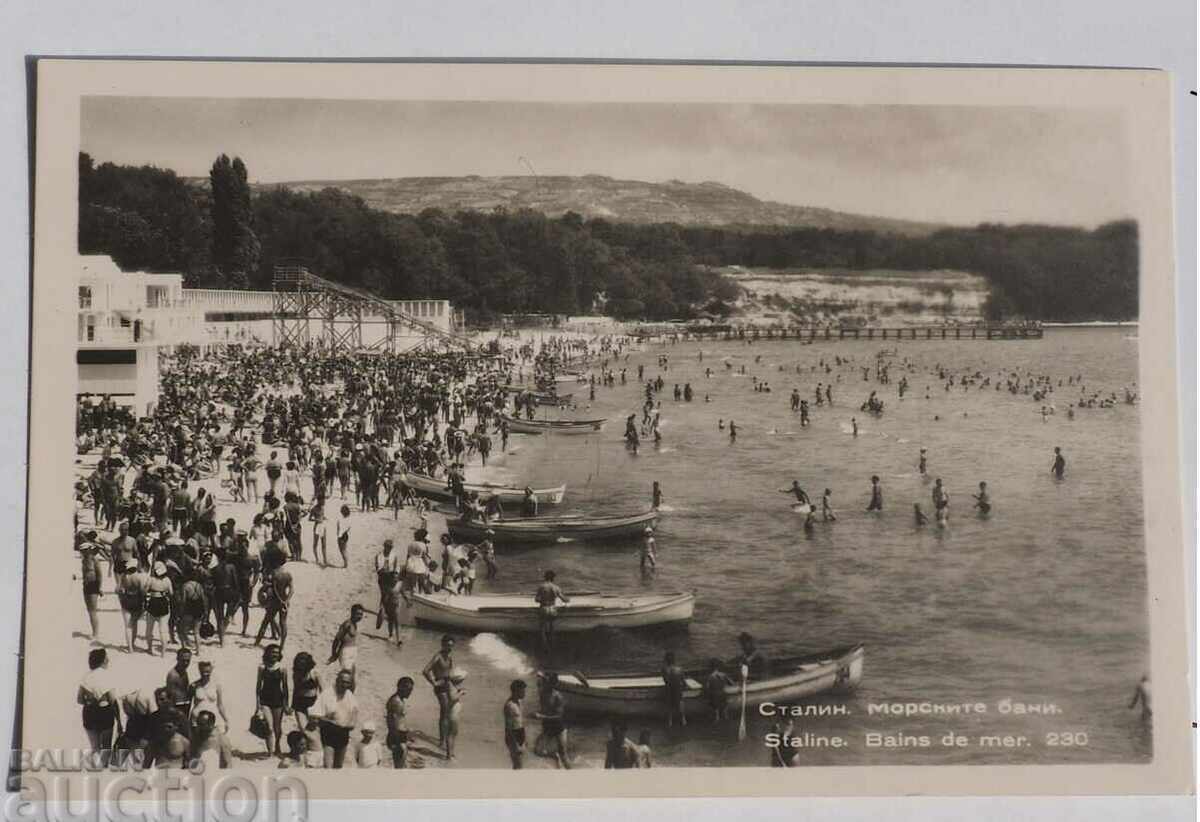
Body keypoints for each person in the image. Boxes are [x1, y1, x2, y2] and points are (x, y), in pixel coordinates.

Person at [79, 648, 121, 762]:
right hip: (104, 713)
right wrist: (119, 721)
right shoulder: (107, 676)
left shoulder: (86, 677)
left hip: (88, 712)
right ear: (102, 661)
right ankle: (104, 768)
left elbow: (79, 700)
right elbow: (112, 700)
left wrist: (91, 701)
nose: (108, 660)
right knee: (106, 747)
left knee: (95, 747)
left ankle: (96, 770)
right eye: (106, 658)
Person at [316, 669, 359, 769]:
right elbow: (316, 716)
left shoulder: (351, 698)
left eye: (347, 682)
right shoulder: (326, 694)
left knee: (338, 767)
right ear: (337, 680)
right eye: (342, 681)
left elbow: (353, 720)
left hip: (343, 735)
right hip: (328, 734)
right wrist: (333, 722)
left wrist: (348, 725)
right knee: (328, 766)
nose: (344, 685)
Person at [423, 635, 456, 748]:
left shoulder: (450, 657)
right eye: (447, 646)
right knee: (445, 713)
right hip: (440, 688)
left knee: (447, 713)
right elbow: (426, 670)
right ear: (442, 644)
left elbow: (449, 672)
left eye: (451, 646)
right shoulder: (438, 656)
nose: (449, 648)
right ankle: (442, 741)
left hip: (448, 686)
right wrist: (434, 682)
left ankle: (443, 739)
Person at [256, 644, 289, 756]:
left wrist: (286, 704)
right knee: (269, 727)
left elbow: (285, 688)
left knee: (277, 727)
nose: (275, 654)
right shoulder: (261, 667)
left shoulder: (282, 668)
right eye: (273, 652)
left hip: (278, 700)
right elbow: (258, 687)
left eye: (277, 652)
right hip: (265, 700)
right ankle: (270, 751)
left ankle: (278, 746)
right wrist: (257, 705)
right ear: (268, 653)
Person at [535, 673, 570, 769]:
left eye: (549, 682)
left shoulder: (558, 696)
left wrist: (542, 716)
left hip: (559, 728)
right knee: (538, 751)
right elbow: (539, 681)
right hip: (547, 727)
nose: (545, 684)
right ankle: (554, 756)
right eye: (545, 682)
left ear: (554, 684)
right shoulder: (542, 693)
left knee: (564, 755)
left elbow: (559, 716)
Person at [329, 604, 365, 686]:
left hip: (352, 651)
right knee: (346, 676)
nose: (360, 616)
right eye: (358, 614)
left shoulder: (354, 624)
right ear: (352, 613)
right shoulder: (347, 624)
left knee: (352, 676)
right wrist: (334, 654)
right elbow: (337, 639)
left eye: (361, 614)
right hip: (346, 652)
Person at [534, 570, 569, 649]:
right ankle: (552, 645)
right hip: (552, 609)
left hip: (544, 608)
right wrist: (568, 599)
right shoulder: (556, 587)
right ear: (553, 578)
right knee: (552, 628)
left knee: (542, 629)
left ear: (545, 577)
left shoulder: (541, 587)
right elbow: (564, 599)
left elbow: (536, 599)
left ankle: (544, 646)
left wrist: (543, 599)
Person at [385, 676, 414, 769]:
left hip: (400, 736)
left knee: (400, 765)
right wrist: (397, 742)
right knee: (399, 766)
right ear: (401, 687)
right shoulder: (396, 702)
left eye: (411, 689)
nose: (410, 692)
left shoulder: (399, 700)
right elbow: (392, 723)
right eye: (408, 689)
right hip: (397, 737)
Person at [78, 541, 103, 641]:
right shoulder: (84, 560)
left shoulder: (95, 560)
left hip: (93, 585)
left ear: (89, 550)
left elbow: (100, 575)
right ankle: (94, 631)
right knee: (89, 610)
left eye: (84, 550)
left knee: (93, 611)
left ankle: (96, 634)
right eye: (81, 551)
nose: (82, 552)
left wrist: (99, 588)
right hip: (86, 585)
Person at [503, 679, 527, 769]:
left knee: (518, 765)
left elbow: (520, 722)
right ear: (517, 691)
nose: (525, 693)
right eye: (523, 691)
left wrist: (524, 740)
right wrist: (516, 744)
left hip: (520, 734)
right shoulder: (510, 706)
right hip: (513, 736)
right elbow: (509, 728)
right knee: (518, 765)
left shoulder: (519, 702)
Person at [165, 648, 193, 723]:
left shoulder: (184, 671)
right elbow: (170, 696)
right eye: (183, 660)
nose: (186, 663)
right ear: (177, 659)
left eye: (188, 661)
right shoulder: (173, 675)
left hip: (185, 706)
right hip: (177, 708)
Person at [444, 669, 467, 760]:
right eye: (461, 680)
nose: (462, 681)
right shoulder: (451, 686)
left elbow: (453, 694)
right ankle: (449, 755)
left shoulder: (452, 685)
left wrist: (459, 690)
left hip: (453, 712)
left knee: (453, 733)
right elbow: (452, 698)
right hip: (453, 713)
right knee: (451, 734)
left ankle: (451, 753)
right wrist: (461, 693)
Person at [661, 651, 687, 727]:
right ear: (674, 660)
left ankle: (670, 722)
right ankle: (683, 720)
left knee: (669, 705)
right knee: (680, 702)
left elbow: (665, 680)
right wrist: (683, 687)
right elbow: (683, 681)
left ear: (666, 660)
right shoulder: (680, 669)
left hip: (669, 688)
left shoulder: (664, 669)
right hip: (678, 688)